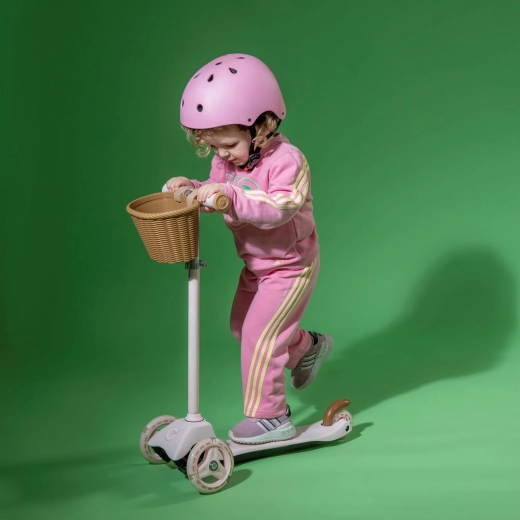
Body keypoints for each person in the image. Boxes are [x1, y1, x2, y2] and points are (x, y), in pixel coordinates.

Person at [164, 53, 333, 444]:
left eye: (228, 144)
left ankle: (272, 417)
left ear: (261, 126)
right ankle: (306, 347)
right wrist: (192, 189)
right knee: (241, 327)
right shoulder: (227, 164)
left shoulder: (288, 161)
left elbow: (279, 208)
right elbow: (220, 194)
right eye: (214, 147)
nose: (222, 155)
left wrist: (230, 197)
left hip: (290, 267)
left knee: (260, 337)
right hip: (256, 266)